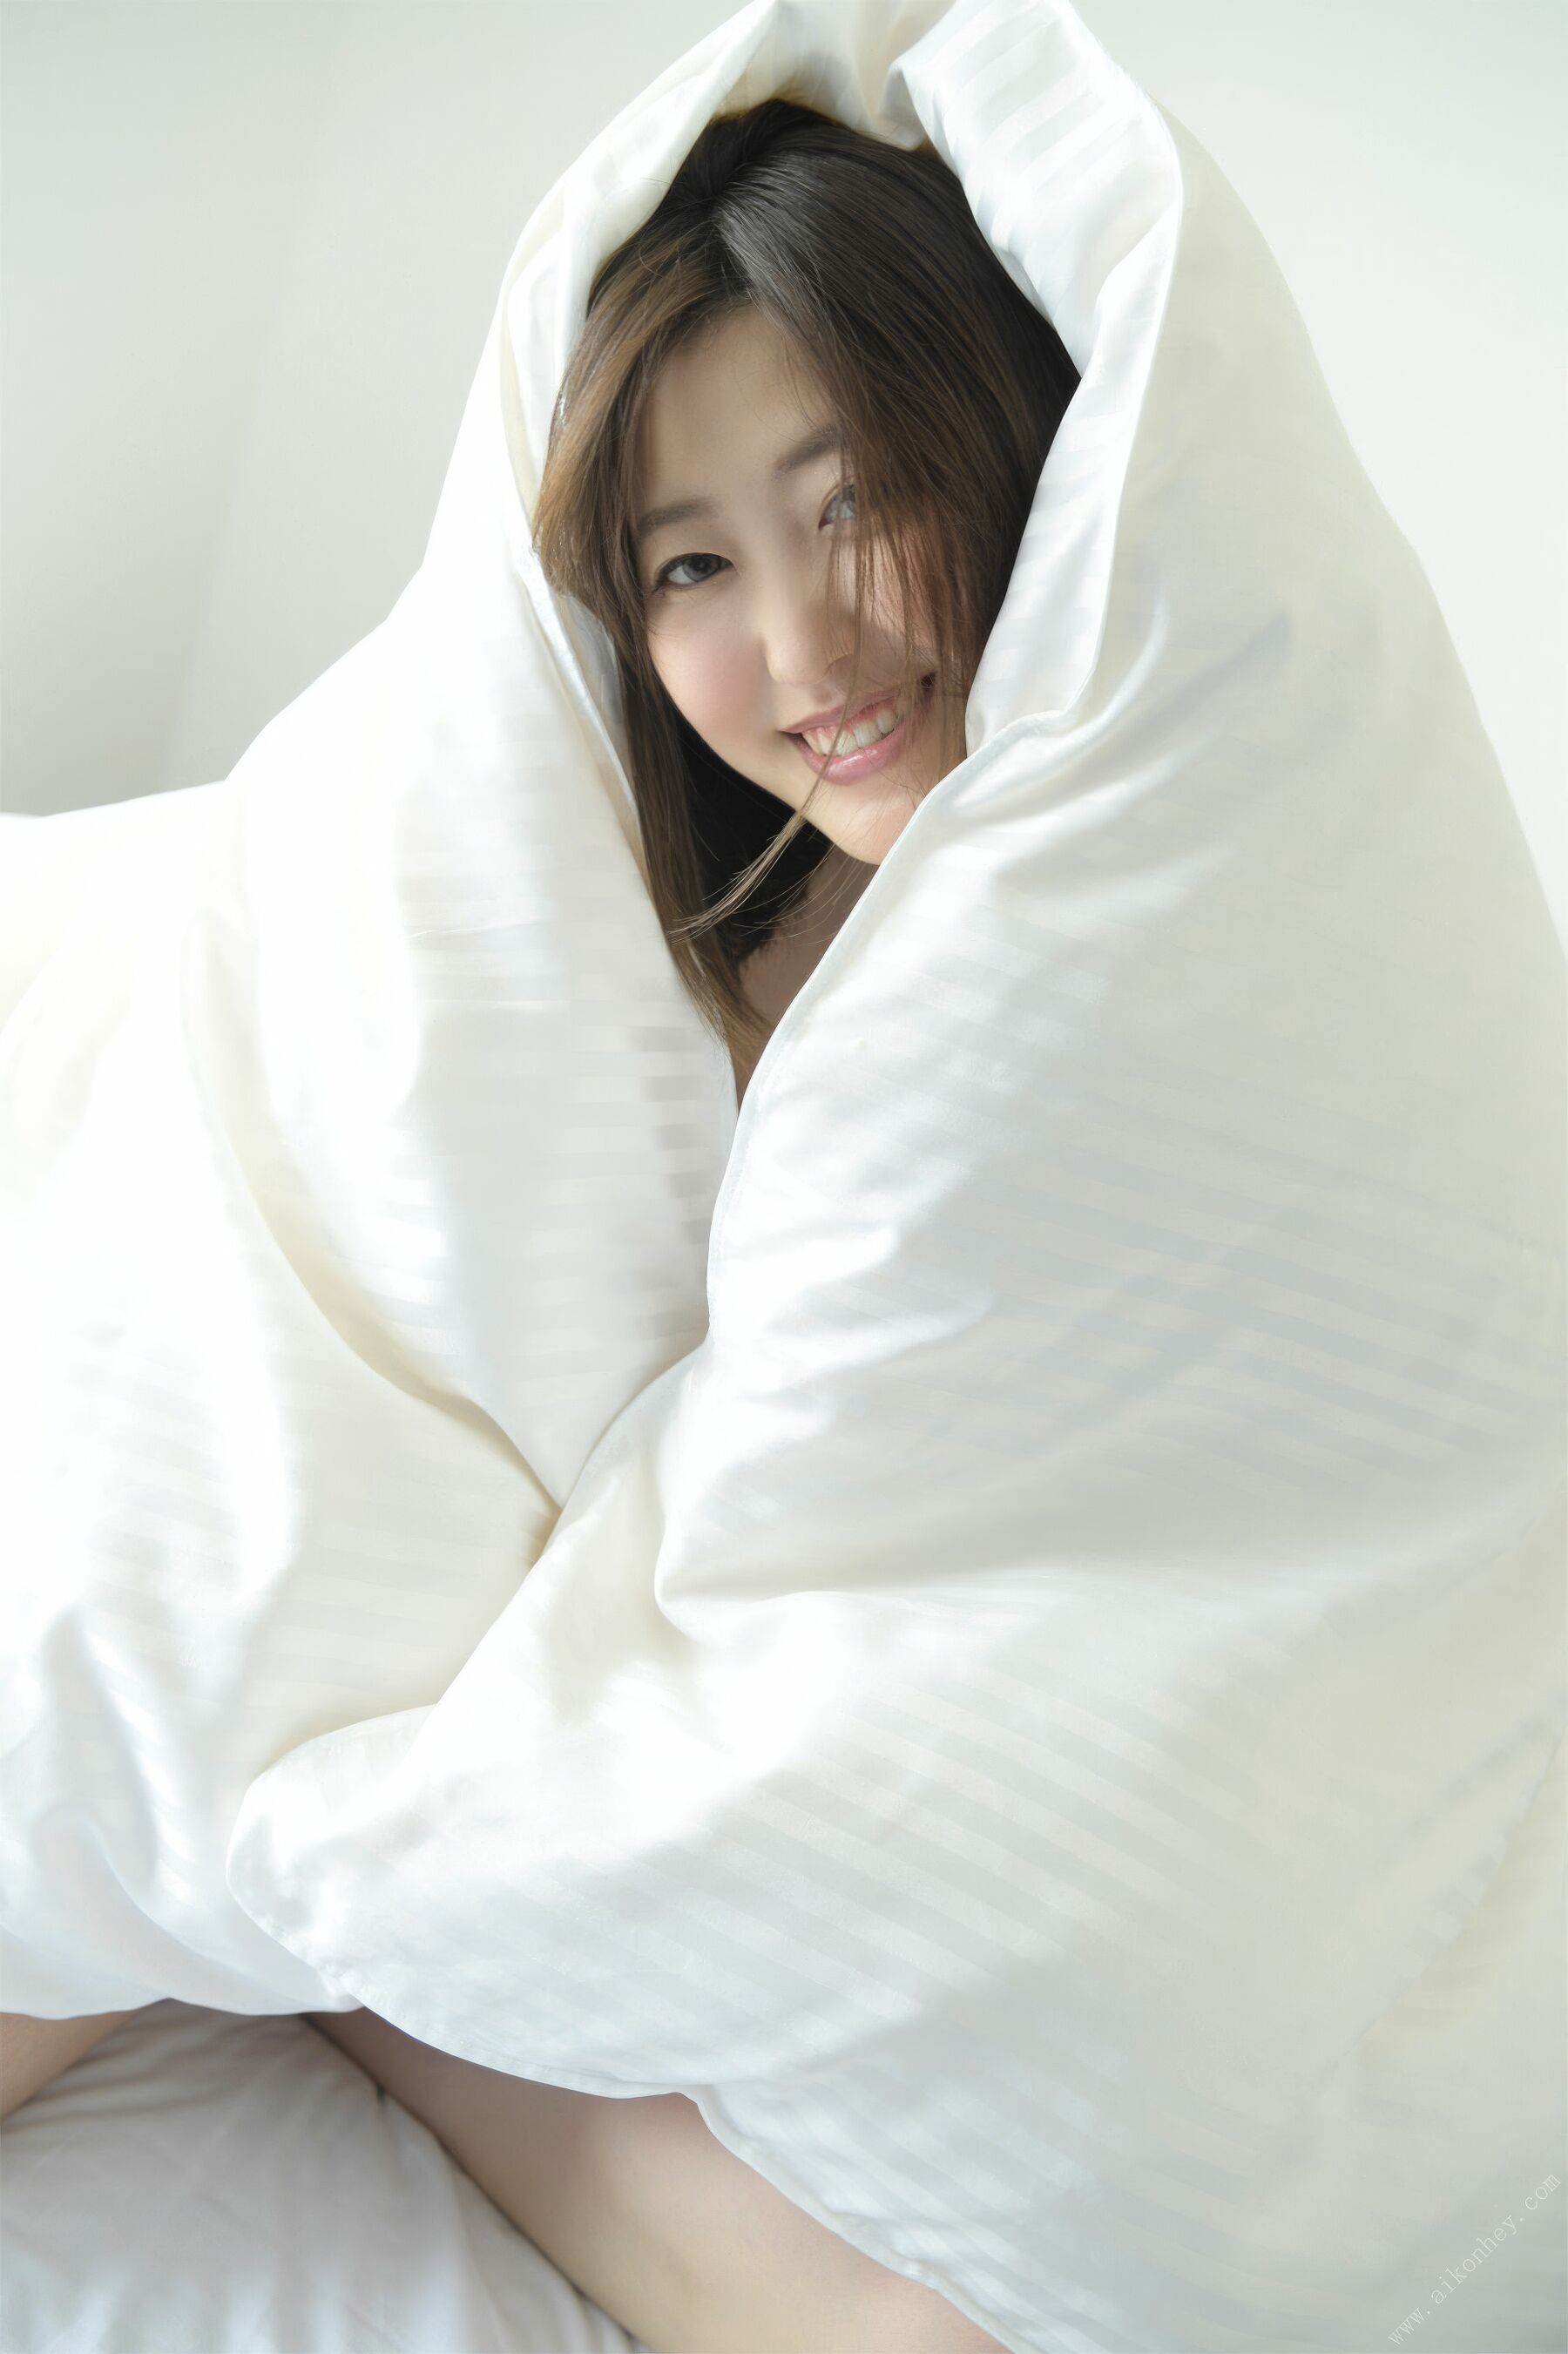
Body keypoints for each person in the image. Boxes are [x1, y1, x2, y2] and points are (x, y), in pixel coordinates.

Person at [2, 94, 1078, 2354]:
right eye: (691, 566)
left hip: (461, 1773)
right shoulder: (611, 907)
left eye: (855, 501)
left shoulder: (1078, 1007)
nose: (802, 644)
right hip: (289, 1658)